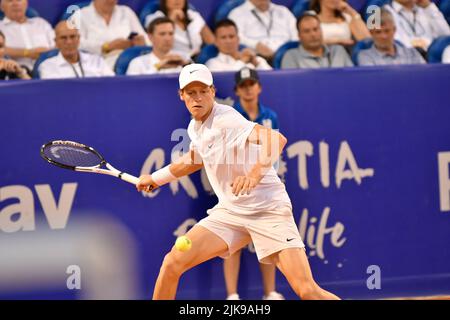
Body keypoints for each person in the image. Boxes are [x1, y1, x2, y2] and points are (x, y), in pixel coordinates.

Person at [136, 63, 341, 300]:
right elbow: (193, 160)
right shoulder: (195, 127)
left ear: (212, 91)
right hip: (231, 213)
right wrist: (155, 178)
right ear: (181, 95)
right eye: (191, 92)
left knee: (307, 291)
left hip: (268, 210)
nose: (198, 98)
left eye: (203, 91)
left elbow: (276, 139)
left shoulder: (226, 119)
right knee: (172, 263)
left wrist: (253, 175)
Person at [223, 67, 282, 301]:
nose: (248, 89)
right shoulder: (228, 116)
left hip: (263, 187)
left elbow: (273, 151)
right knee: (231, 242)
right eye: (243, 85)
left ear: (259, 87)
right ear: (237, 90)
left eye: (251, 84)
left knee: (267, 241)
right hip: (234, 187)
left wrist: (261, 178)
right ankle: (232, 296)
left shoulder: (271, 116)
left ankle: (270, 293)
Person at [78, 0, 149, 69]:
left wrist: (142, 42)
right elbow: (77, 43)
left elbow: (146, 38)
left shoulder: (126, 12)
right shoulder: (81, 15)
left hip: (129, 59)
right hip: (96, 64)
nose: (111, 1)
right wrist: (106, 47)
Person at [38, 21, 114, 79]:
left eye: (72, 37)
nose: (69, 42)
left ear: (79, 39)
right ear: (56, 42)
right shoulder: (47, 66)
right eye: (63, 38)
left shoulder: (97, 61)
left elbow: (113, 84)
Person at [228, 0, 298, 61]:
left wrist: (285, 50)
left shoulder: (284, 11)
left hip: (286, 56)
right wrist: (256, 45)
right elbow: (234, 37)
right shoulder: (237, 14)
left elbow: (297, 35)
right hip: (255, 57)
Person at [144, 0, 215, 58]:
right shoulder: (154, 18)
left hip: (197, 59)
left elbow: (212, 41)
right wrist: (171, 20)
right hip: (171, 60)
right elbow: (152, 44)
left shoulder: (194, 16)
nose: (177, 0)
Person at [281, 12, 353, 69]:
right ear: (299, 36)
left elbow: (353, 78)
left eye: (315, 29)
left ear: (321, 30)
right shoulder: (291, 56)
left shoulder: (338, 51)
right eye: (307, 31)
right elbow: (290, 85)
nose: (313, 34)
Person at [358, 9, 425, 66]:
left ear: (394, 30)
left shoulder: (412, 53)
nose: (383, 36)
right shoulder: (365, 57)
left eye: (387, 31)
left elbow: (424, 75)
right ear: (371, 33)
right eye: (378, 32)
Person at [0, 0, 54, 71]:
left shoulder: (41, 23)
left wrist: (46, 54)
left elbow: (58, 46)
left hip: (50, 70)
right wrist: (27, 53)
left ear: (26, 3)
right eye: (10, 0)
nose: (15, 4)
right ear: (2, 7)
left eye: (19, 0)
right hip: (16, 73)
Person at [206, 19, 272, 72]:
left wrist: (256, 64)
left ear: (238, 39)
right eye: (223, 37)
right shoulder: (213, 64)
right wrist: (242, 61)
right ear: (216, 42)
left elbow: (273, 78)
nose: (228, 41)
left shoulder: (256, 59)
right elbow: (228, 80)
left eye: (231, 36)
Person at [384, 0, 450, 52]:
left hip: (431, 56)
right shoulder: (379, 11)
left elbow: (446, 37)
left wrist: (429, 7)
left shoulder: (428, 9)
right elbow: (379, 39)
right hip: (403, 58)